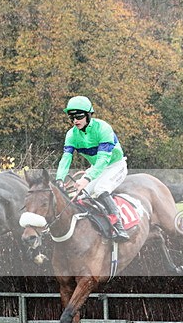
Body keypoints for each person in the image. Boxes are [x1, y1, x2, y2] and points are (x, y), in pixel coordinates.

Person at [55, 96, 129, 241]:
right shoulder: (71, 135)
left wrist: (87, 178)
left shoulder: (103, 128)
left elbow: (103, 159)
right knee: (78, 195)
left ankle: (119, 226)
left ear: (89, 115)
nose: (75, 120)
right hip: (97, 168)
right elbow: (66, 158)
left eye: (79, 116)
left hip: (115, 165)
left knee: (101, 189)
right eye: (72, 117)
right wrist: (59, 179)